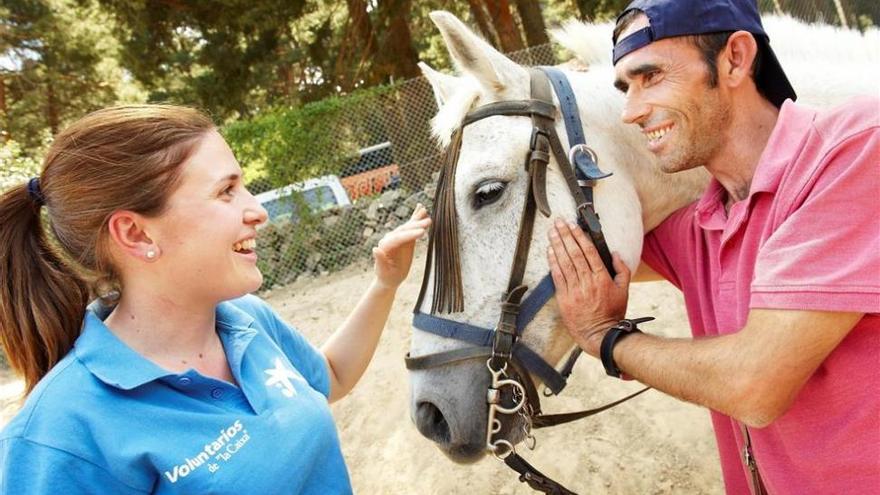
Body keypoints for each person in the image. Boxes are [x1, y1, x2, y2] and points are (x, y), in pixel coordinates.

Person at [0, 104, 431, 494]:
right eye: (226, 191)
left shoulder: (243, 319)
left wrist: (385, 283)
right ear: (136, 234)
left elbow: (331, 377)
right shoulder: (59, 436)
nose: (258, 210)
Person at [545, 1, 879, 494]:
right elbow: (585, 262)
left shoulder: (855, 147)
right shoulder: (702, 227)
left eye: (651, 76)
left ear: (735, 59)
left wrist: (607, 338)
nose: (631, 112)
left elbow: (754, 385)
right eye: (625, 88)